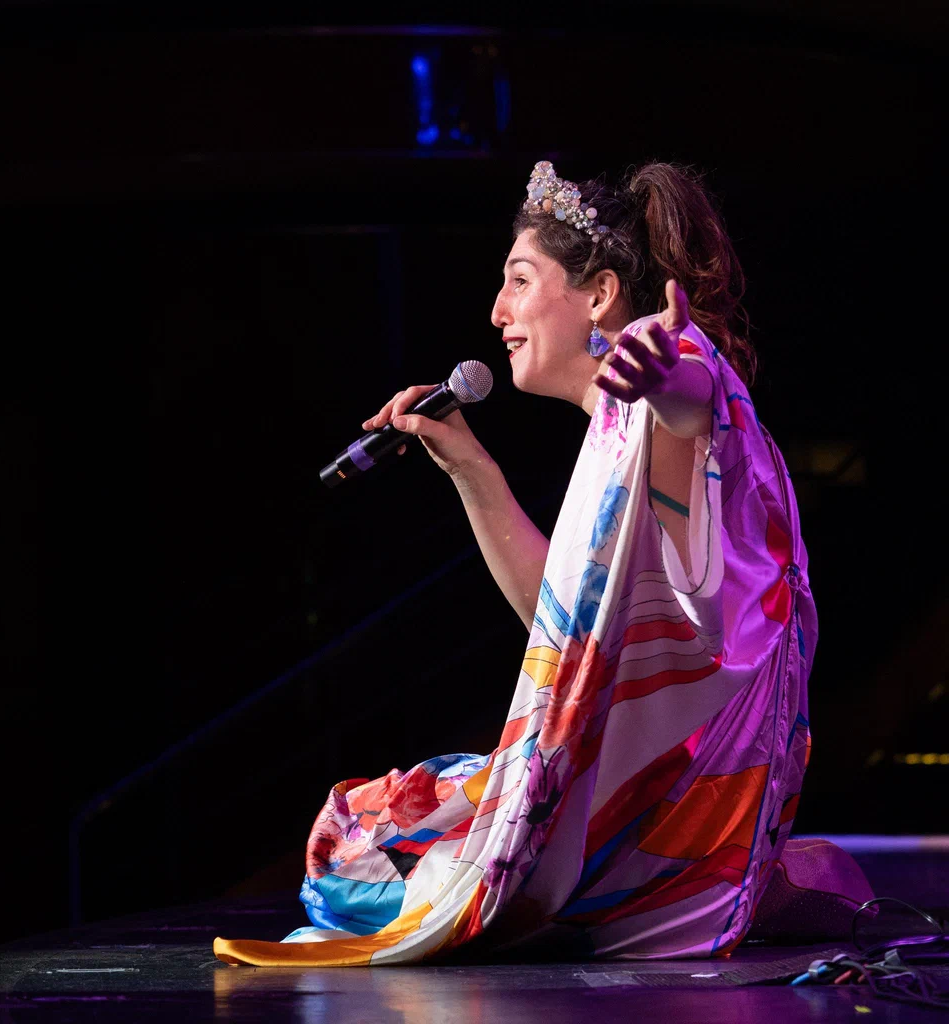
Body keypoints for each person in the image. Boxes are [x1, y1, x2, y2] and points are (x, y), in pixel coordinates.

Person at [214, 159, 819, 967]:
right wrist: (470, 468)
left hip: (664, 806)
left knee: (367, 852)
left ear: (600, 296)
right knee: (360, 842)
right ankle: (773, 882)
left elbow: (695, 393)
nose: (498, 311)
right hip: (621, 787)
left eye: (520, 280)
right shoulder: (610, 439)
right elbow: (568, 635)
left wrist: (665, 369)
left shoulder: (666, 385)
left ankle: (730, 882)